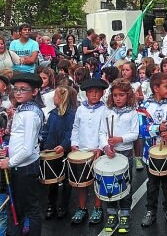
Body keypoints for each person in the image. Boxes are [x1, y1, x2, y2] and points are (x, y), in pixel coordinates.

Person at [0, 72, 44, 236]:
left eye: (23, 89)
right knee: (17, 207)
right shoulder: (21, 109)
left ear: (35, 91)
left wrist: (9, 162)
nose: (18, 92)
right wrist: (7, 149)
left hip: (26, 167)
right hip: (18, 164)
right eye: (16, 89)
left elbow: (28, 148)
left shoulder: (30, 114)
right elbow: (18, 139)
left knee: (31, 208)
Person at [138, 72, 167, 227]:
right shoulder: (144, 107)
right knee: (152, 184)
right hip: (150, 154)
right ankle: (150, 210)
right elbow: (141, 129)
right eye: (166, 87)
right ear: (156, 88)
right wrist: (158, 128)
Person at [99, 78, 140, 233]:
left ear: (128, 95)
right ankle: (111, 213)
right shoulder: (107, 111)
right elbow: (102, 132)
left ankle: (124, 213)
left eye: (121, 95)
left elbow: (135, 134)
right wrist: (105, 146)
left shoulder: (132, 112)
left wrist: (120, 139)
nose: (118, 98)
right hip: (110, 153)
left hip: (125, 153)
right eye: (115, 95)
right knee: (109, 184)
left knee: (124, 184)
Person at [70, 78, 108, 225]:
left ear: (102, 93)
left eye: (97, 92)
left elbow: (104, 131)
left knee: (97, 181)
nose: (93, 95)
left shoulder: (105, 109)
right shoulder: (80, 109)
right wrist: (74, 144)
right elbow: (76, 127)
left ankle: (98, 208)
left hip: (97, 151)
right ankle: (82, 207)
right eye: (90, 92)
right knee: (82, 182)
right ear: (86, 94)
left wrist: (100, 147)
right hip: (82, 151)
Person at [43, 85, 77, 220]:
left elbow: (71, 132)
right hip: (52, 151)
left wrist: (64, 145)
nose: (53, 97)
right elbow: (46, 130)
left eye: (56, 95)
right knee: (52, 180)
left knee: (67, 179)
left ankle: (63, 204)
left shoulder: (71, 115)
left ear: (62, 98)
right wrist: (45, 144)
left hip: (65, 152)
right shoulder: (52, 114)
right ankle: (51, 204)